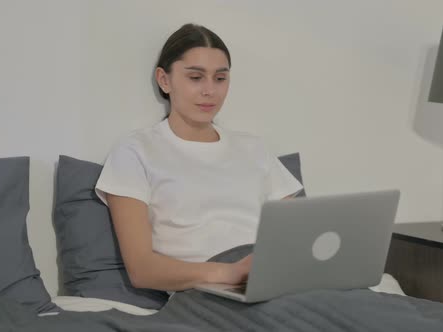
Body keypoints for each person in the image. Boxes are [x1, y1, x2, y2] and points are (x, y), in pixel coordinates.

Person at [95, 23, 303, 293]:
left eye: (220, 78)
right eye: (195, 77)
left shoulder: (254, 148)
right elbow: (142, 269)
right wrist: (229, 273)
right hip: (205, 290)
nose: (210, 91)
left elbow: (299, 236)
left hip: (271, 279)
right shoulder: (135, 151)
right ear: (164, 80)